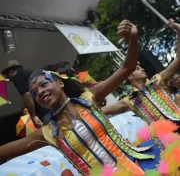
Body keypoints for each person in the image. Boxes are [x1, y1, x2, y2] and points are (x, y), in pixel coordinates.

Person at [0, 20, 180, 176]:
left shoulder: (89, 99)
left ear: (60, 83)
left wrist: (133, 38)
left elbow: (127, 67)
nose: (39, 92)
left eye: (43, 84)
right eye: (34, 93)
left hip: (141, 167)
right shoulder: (48, 132)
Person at [102, 18, 180, 126]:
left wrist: (178, 29)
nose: (142, 69)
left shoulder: (158, 81)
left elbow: (178, 58)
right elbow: (98, 111)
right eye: (138, 68)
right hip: (169, 140)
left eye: (141, 67)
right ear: (130, 76)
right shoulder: (128, 102)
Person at [1, 61, 50, 127]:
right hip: (49, 105)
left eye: (7, 75)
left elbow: (27, 95)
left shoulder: (17, 77)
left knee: (51, 132)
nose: (8, 78)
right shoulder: (27, 73)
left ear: (11, 72)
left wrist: (33, 116)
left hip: (45, 110)